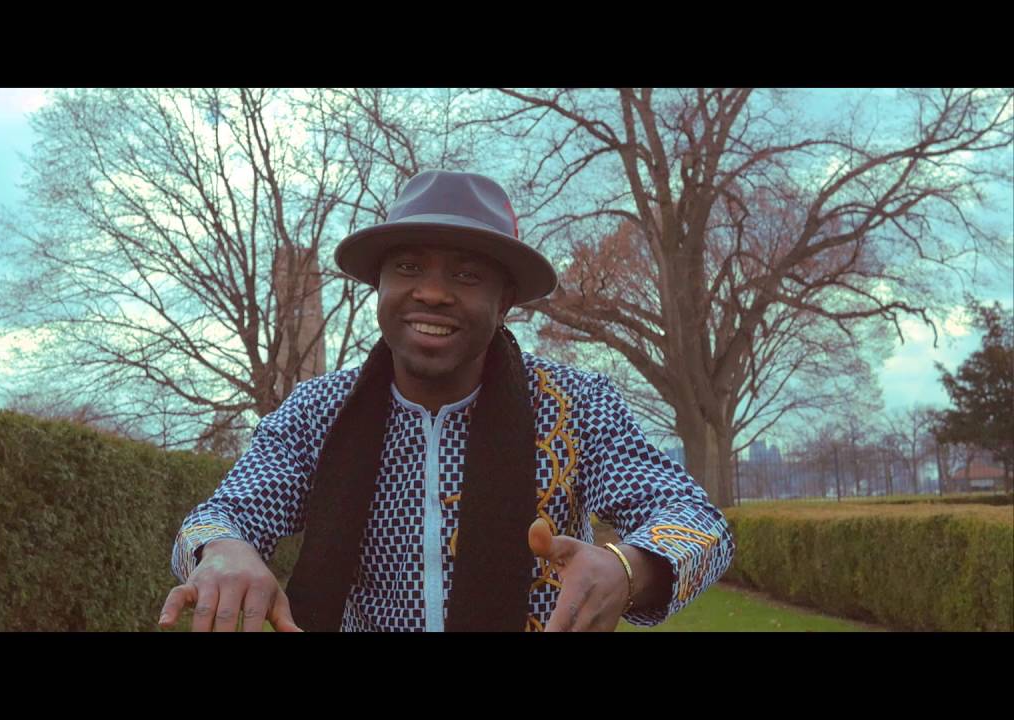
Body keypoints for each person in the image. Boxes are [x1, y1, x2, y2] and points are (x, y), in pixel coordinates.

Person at [159, 170, 735, 632]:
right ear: (379, 285)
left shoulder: (575, 404)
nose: (432, 293)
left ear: (505, 300)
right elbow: (219, 517)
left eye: (466, 274)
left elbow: (698, 523)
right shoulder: (317, 411)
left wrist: (627, 568)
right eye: (409, 267)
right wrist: (226, 550)